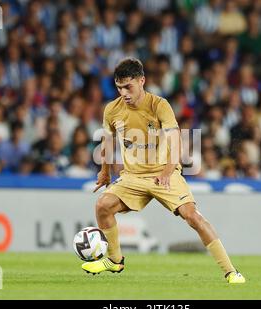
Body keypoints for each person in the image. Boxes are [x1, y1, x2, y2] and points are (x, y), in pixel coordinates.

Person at [81, 58, 245, 284]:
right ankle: (115, 260)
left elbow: (176, 141)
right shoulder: (112, 110)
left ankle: (231, 271)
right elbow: (107, 143)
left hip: (163, 173)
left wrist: (168, 172)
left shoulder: (159, 105)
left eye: (128, 87)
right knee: (102, 206)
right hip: (133, 177)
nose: (124, 93)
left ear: (142, 81)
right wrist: (104, 172)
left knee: (193, 217)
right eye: (119, 88)